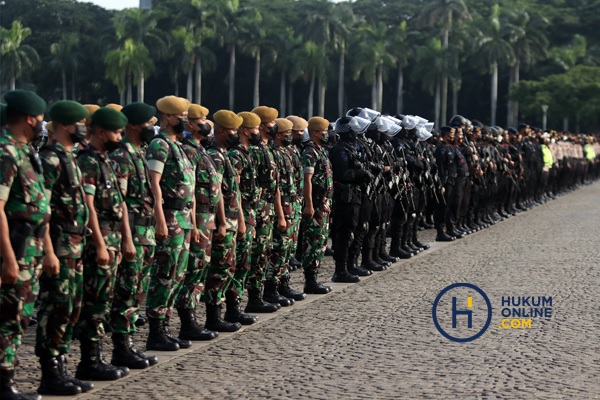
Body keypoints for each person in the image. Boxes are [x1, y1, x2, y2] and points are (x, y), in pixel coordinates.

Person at [0, 90, 54, 400]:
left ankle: (7, 380)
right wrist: (8, 258)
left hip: (30, 249)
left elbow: (39, 208)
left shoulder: (24, 151)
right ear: (30, 119)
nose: (42, 124)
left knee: (19, 316)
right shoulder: (6, 153)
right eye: (40, 119)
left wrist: (46, 250)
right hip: (15, 251)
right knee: (8, 317)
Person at [35, 100, 92, 395]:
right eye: (81, 123)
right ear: (68, 125)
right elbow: (41, 208)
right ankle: (50, 373)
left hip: (75, 245)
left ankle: (62, 368)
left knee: (70, 308)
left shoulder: (70, 156)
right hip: (58, 244)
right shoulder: (50, 159)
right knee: (55, 308)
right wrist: (48, 251)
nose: (86, 128)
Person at [75, 107, 132, 381]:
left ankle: (96, 358)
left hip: (111, 238)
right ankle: (90, 361)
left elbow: (117, 204)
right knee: (95, 301)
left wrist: (120, 241)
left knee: (103, 299)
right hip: (98, 240)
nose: (120, 136)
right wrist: (99, 243)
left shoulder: (104, 159)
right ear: (100, 132)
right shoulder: (88, 161)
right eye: (116, 132)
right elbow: (89, 206)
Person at [108, 102, 160, 369]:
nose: (152, 127)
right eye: (147, 123)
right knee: (126, 291)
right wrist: (126, 238)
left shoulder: (139, 152)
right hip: (132, 233)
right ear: (132, 126)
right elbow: (121, 203)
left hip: (145, 232)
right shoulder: (121, 156)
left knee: (137, 291)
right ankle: (121, 348)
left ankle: (128, 344)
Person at [145, 96, 195, 351]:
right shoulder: (160, 145)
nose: (184, 120)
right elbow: (154, 184)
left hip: (183, 220)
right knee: (164, 275)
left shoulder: (178, 146)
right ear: (166, 118)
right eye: (180, 116)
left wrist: (193, 222)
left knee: (177, 275)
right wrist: (160, 219)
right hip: (170, 218)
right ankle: (155, 332)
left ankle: (165, 326)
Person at [203, 110, 246, 332]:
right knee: (219, 269)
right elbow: (217, 192)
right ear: (220, 131)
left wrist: (239, 220)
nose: (235, 134)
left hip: (231, 219)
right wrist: (221, 221)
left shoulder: (224, 154)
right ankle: (213, 317)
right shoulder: (214, 156)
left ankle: (225, 312)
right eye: (231, 130)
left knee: (228, 267)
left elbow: (234, 192)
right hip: (223, 221)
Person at [245, 106, 287, 312]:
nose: (274, 127)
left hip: (267, 208)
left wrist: (279, 213)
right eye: (271, 124)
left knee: (265, 253)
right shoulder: (254, 151)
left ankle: (261, 295)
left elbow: (274, 186)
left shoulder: (267, 148)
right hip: (258, 210)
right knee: (256, 254)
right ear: (261, 126)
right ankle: (253, 298)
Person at [265, 118, 306, 304]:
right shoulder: (274, 153)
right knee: (279, 249)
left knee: (289, 249)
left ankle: (283, 284)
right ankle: (271, 288)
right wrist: (280, 213)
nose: (290, 136)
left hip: (293, 204)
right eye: (286, 133)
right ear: (279, 135)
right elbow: (276, 188)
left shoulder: (291, 151)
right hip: (283, 206)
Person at [301, 117, 334, 293]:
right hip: (316, 204)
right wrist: (309, 204)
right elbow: (307, 180)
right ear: (315, 133)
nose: (327, 135)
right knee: (313, 242)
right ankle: (310, 280)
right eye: (324, 132)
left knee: (321, 241)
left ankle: (315, 277)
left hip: (324, 204)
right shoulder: (310, 152)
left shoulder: (321, 151)